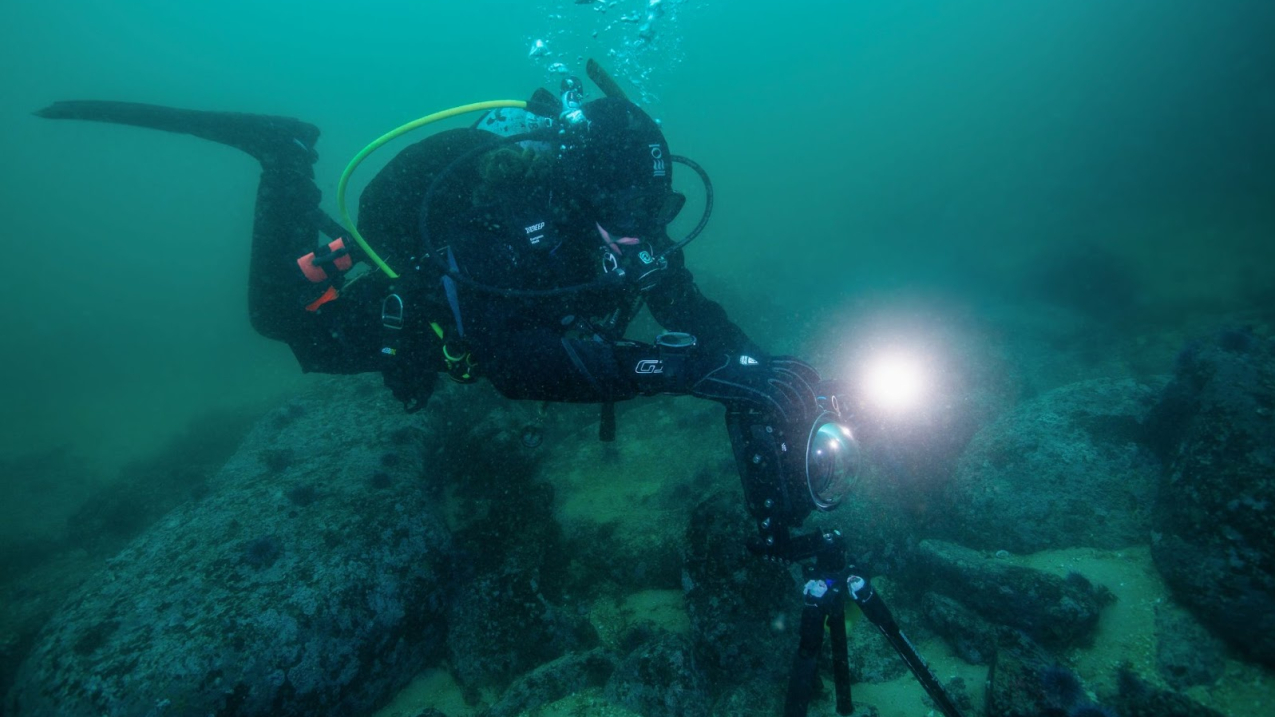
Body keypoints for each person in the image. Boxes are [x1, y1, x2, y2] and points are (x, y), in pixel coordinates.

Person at [36, 78, 840, 549]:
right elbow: (513, 362)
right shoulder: (507, 204)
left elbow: (691, 313)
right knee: (289, 325)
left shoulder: (626, 223)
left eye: (656, 203)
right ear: (581, 187)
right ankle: (282, 157)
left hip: (484, 304)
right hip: (434, 295)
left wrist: (756, 371)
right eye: (628, 204)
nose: (645, 227)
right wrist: (682, 368)